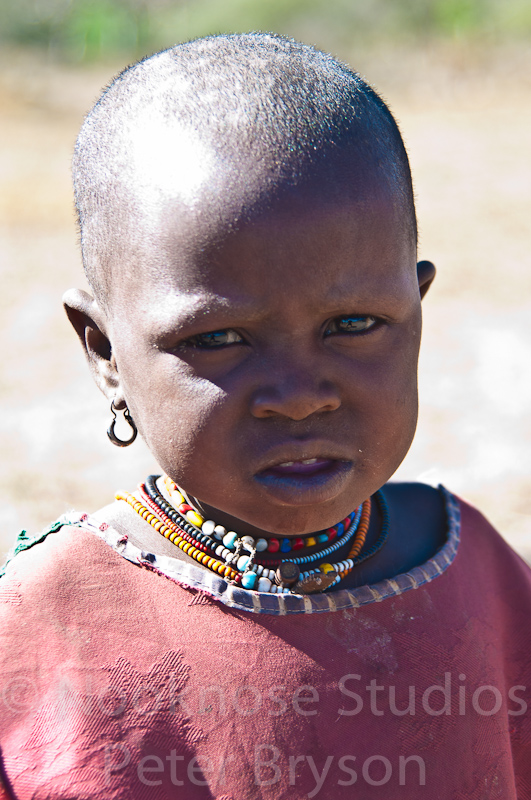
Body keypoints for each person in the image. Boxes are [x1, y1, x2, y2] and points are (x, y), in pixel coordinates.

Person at [0, 32, 529, 799]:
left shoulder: (470, 567)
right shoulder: (46, 621)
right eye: (217, 339)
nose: (298, 393)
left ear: (415, 307)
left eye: (352, 324)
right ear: (105, 354)